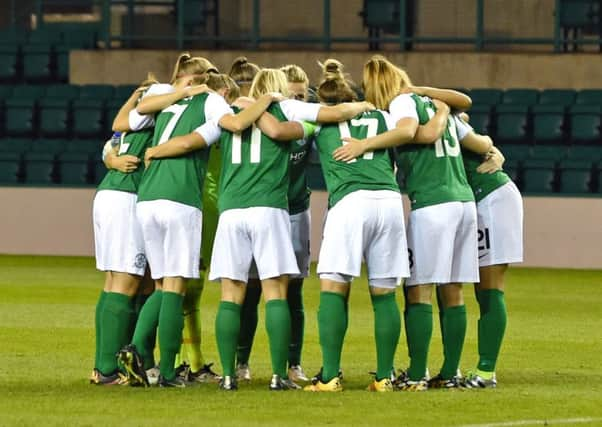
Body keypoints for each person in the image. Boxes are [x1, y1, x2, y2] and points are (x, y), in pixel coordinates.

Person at [118, 63, 280, 388]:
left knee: (163, 286)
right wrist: (266, 99)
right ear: (222, 91)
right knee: (176, 289)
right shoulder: (213, 101)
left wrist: (157, 144)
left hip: (148, 197)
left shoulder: (169, 102)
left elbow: (133, 115)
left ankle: (134, 349)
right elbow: (225, 126)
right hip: (180, 197)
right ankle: (167, 373)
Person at [333, 55, 489, 391]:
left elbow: (408, 132)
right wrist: (443, 108)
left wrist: (364, 145)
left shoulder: (402, 104)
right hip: (463, 202)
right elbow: (467, 111)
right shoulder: (429, 104)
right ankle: (451, 373)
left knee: (418, 290)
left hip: (433, 204)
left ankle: (417, 375)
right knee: (453, 290)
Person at [304, 59, 450, 392]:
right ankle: (385, 377)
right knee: (384, 294)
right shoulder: (385, 116)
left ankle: (329, 376)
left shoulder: (320, 122)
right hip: (388, 203)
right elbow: (417, 133)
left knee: (334, 290)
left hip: (349, 204)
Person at [235, 63, 313, 383]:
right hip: (267, 210)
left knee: (293, 291)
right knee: (251, 290)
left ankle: (293, 363)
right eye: (290, 95)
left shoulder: (308, 121)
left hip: (295, 212)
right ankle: (241, 362)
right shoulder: (263, 118)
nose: (294, 101)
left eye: (301, 95)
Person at [90, 74, 159, 386]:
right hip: (128, 198)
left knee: (130, 281)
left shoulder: (131, 121)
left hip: (109, 194)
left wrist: (112, 160)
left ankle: (132, 359)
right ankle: (107, 370)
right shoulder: (158, 120)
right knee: (127, 281)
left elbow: (108, 149)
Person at [455, 114, 523, 388]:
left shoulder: (440, 118)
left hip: (492, 198)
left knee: (490, 286)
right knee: (478, 288)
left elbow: (476, 134)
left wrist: (494, 152)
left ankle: (486, 371)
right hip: (476, 200)